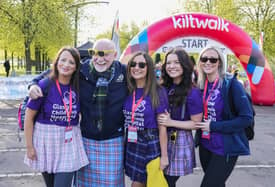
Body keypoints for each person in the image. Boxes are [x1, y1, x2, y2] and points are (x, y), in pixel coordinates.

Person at [28, 39, 128, 187]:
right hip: (86, 139)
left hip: (113, 140)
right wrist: (33, 83)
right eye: (94, 53)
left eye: (105, 54)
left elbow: (146, 77)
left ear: (115, 55)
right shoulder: (83, 69)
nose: (99, 59)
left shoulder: (123, 71)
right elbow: (53, 71)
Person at [24, 46, 89, 187]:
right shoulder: (44, 85)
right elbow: (28, 118)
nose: (66, 65)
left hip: (69, 142)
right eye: (63, 60)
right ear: (57, 61)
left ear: (76, 67)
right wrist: (29, 147)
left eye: (71, 62)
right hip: (45, 142)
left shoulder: (79, 86)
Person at [194, 45, 253, 187]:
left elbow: (246, 118)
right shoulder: (201, 85)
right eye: (204, 59)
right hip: (205, 145)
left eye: (213, 59)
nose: (208, 62)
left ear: (219, 62)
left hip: (225, 147)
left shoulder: (231, 84)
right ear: (200, 62)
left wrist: (213, 126)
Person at [157, 48, 203, 187]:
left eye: (176, 62)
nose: (171, 66)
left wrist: (171, 122)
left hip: (178, 138)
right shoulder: (163, 87)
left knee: (167, 181)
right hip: (159, 137)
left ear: (185, 64)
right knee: (158, 179)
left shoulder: (192, 92)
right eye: (168, 63)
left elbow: (196, 123)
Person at [123, 51, 169, 187]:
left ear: (148, 68)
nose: (137, 67)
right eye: (133, 64)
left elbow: (162, 127)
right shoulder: (127, 89)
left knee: (141, 184)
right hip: (132, 141)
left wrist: (164, 156)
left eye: (142, 65)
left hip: (150, 142)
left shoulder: (158, 91)